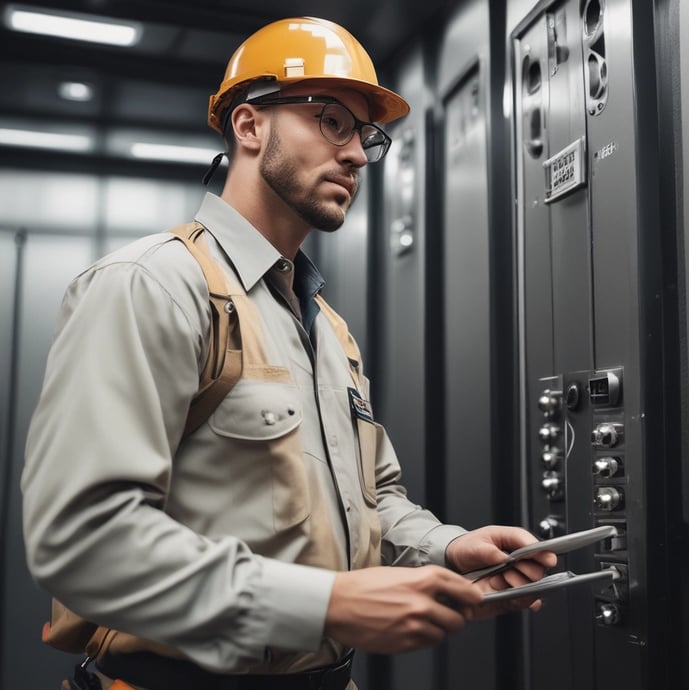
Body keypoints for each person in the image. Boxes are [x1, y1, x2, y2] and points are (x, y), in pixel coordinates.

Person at [22, 16, 556, 690]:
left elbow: (372, 500)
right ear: (249, 127)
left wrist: (448, 548)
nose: (358, 154)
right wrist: (326, 603)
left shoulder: (326, 328)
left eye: (365, 134)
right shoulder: (153, 286)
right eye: (332, 120)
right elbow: (84, 541)